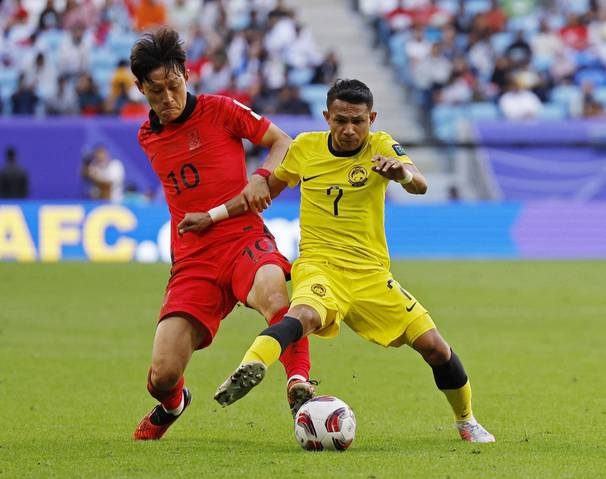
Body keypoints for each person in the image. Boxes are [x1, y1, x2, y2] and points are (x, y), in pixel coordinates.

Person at [181, 79, 495, 443]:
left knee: (436, 347)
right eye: (341, 120)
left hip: (370, 275)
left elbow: (420, 185)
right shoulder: (304, 148)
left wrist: (401, 173)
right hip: (319, 266)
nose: (349, 129)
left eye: (358, 121)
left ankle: (466, 420)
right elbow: (263, 193)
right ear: (326, 116)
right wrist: (213, 215)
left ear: (372, 118)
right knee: (303, 316)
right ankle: (252, 363)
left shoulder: (381, 146)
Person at [129, 27, 313, 441]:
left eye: (174, 85)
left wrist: (263, 177)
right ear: (140, 88)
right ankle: (174, 404)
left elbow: (284, 142)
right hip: (193, 259)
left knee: (275, 295)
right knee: (162, 374)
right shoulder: (147, 137)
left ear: (186, 75)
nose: (168, 99)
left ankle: (298, 383)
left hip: (243, 238)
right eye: (156, 92)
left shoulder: (220, 110)